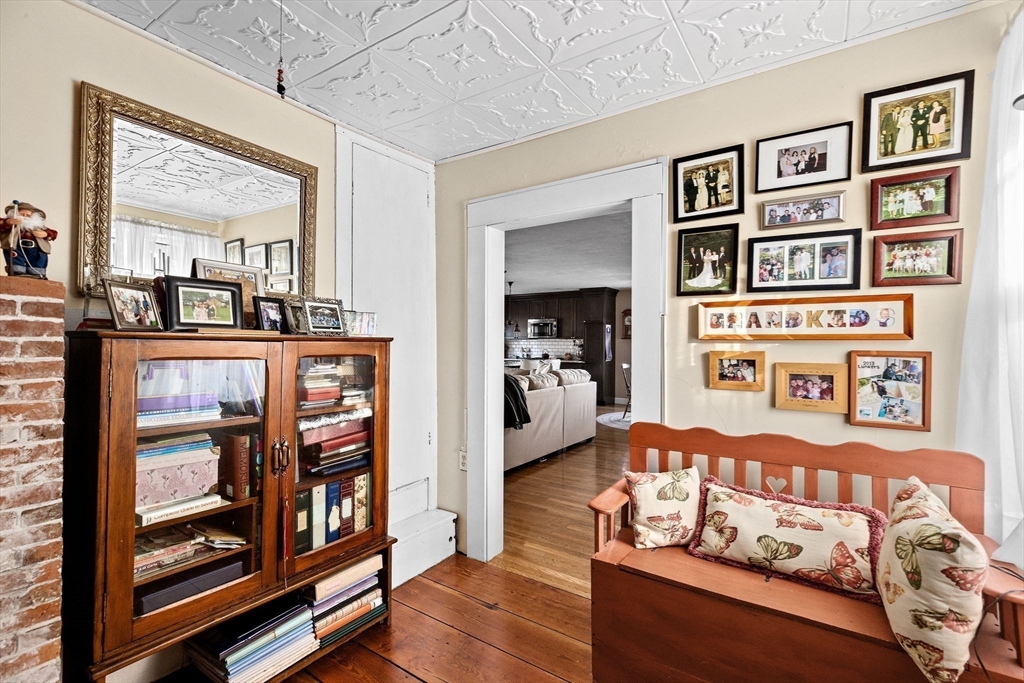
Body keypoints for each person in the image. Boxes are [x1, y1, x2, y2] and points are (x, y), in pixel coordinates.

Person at [1, 202, 57, 278]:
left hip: (36, 248)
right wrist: (8, 222)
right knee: (16, 259)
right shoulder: (11, 226)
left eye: (28, 215)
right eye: (22, 214)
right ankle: (17, 272)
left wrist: (45, 234)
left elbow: (54, 233)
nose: (25, 217)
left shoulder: (37, 227)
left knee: (37, 260)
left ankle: (37, 273)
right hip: (16, 247)